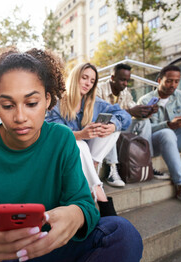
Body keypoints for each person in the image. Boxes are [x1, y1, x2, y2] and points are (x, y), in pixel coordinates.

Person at [0, 49, 143, 262]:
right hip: (5, 256)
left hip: (57, 246)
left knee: (122, 233)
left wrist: (76, 214)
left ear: (47, 100)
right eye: (8, 105)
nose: (20, 117)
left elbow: (85, 204)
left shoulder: (62, 139)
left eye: (31, 103)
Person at [45, 62, 131, 214]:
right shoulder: (57, 104)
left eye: (92, 81)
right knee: (80, 144)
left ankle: (90, 168)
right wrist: (80, 135)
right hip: (63, 152)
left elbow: (125, 116)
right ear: (75, 77)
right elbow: (54, 133)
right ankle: (100, 195)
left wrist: (113, 125)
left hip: (89, 154)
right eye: (84, 78)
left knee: (113, 128)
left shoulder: (95, 102)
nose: (88, 84)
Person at [97, 63, 169, 184]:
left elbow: (134, 109)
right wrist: (129, 112)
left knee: (144, 122)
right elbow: (99, 115)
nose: (125, 84)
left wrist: (146, 112)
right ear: (112, 78)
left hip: (120, 130)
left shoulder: (125, 92)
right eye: (122, 80)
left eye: (127, 81)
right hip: (103, 130)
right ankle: (112, 168)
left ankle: (147, 162)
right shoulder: (99, 89)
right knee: (110, 123)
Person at [138, 65, 181, 206]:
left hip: (173, 142)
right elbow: (142, 131)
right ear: (159, 80)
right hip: (152, 144)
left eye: (176, 81)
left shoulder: (180, 97)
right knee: (167, 132)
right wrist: (168, 124)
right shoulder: (145, 101)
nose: (173, 85)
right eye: (169, 81)